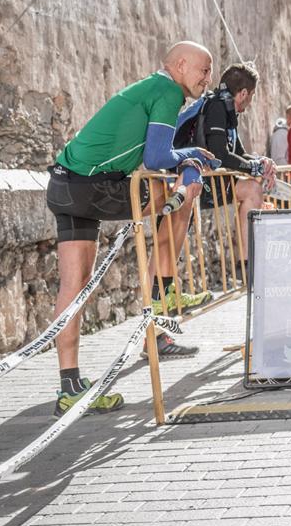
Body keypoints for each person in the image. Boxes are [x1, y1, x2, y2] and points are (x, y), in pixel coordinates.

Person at [45, 41, 215, 416]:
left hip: (63, 183)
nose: (208, 78)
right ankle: (165, 292)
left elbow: (149, 155)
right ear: (181, 65)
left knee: (74, 285)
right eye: (204, 70)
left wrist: (182, 159)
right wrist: (190, 158)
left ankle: (69, 385)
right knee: (186, 192)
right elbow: (156, 157)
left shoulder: (150, 88)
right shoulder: (167, 91)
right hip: (90, 186)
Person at [176, 63, 277, 276]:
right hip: (188, 180)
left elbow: (238, 152)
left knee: (253, 189)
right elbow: (220, 155)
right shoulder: (217, 107)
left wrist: (262, 162)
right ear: (243, 93)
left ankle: (246, 266)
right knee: (252, 189)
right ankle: (246, 268)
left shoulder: (226, 108)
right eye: (252, 96)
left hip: (203, 178)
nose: (250, 102)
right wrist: (255, 167)